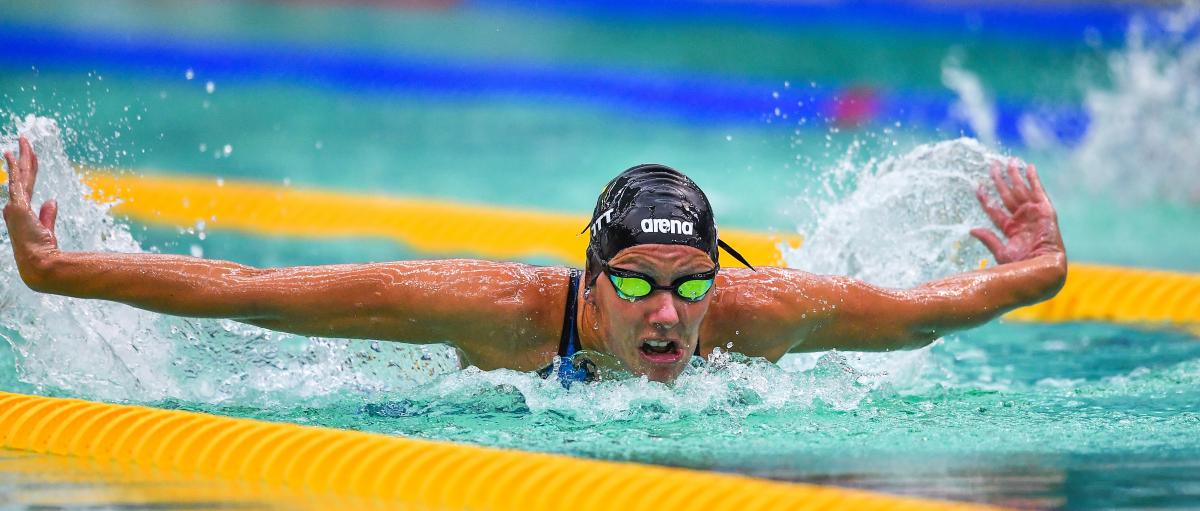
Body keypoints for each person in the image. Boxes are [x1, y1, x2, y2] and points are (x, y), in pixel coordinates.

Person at [3, 137, 1067, 384]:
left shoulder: (760, 314)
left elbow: (914, 313)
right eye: (640, 284)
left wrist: (1028, 280)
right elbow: (261, 292)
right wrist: (58, 271)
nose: (669, 313)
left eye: (692, 283)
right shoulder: (499, 309)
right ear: (591, 284)